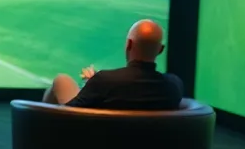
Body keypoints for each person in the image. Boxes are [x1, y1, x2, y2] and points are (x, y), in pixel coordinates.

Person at [43, 19, 185, 110]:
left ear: (129, 44)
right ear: (160, 50)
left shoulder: (104, 81)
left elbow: (67, 113)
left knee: (62, 80)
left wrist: (92, 84)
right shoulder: (173, 86)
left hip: (95, 148)